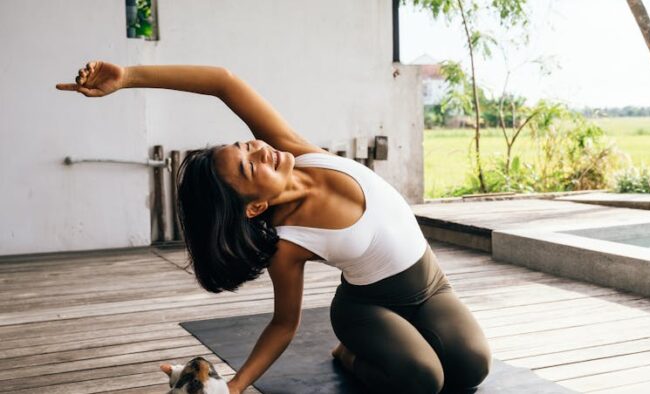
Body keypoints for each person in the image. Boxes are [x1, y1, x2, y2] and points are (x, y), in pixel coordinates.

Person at [57, 62, 491, 394]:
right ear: (255, 206)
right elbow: (284, 324)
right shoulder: (288, 244)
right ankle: (349, 353)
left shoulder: (297, 151)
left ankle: (400, 343)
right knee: (425, 381)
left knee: (472, 367)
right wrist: (235, 386)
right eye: (249, 166)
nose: (261, 151)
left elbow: (223, 83)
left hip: (433, 286)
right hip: (367, 309)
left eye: (247, 145)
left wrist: (129, 75)